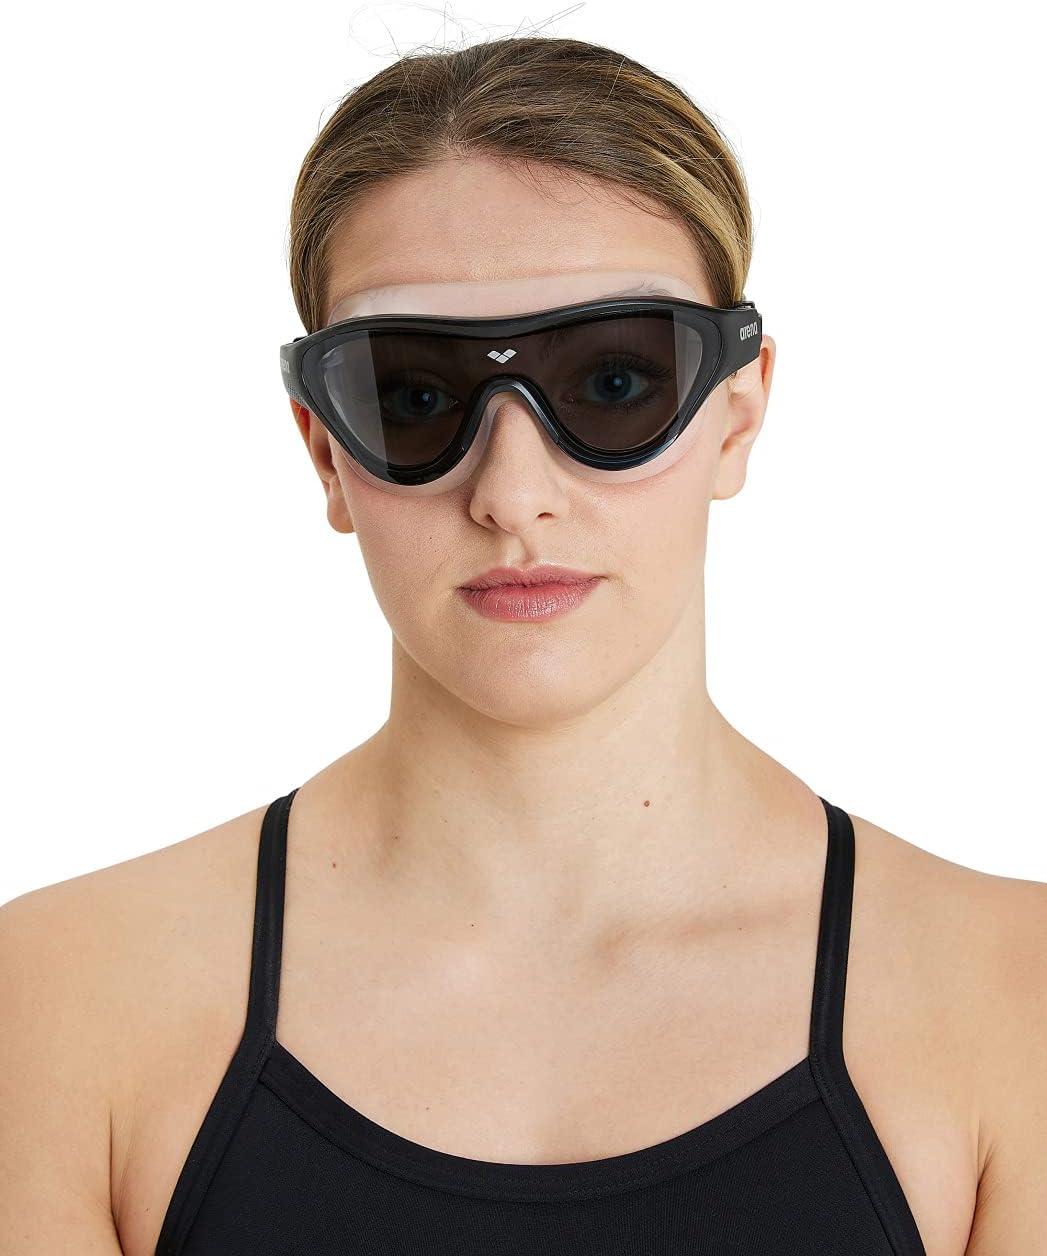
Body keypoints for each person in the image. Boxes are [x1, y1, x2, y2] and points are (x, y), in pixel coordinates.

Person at [1, 33, 1043, 1256]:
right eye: (416, 396)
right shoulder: (65, 999)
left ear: (738, 414)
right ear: (323, 448)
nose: (511, 493)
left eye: (613, 382)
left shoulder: (1011, 1002)